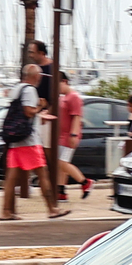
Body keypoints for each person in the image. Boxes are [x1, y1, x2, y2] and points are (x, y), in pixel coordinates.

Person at [0, 63, 67, 221]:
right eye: (39, 76)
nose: (40, 79)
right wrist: (40, 106)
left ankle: (6, 211)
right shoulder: (30, 90)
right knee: (43, 174)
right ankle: (52, 209)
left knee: (11, 177)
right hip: (28, 140)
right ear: (34, 76)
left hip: (15, 140)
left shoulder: (17, 89)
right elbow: (28, 112)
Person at [52, 71, 87, 201]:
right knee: (61, 165)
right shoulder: (63, 97)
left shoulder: (74, 97)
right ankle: (61, 190)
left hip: (69, 135)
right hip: (61, 135)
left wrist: (73, 134)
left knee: (62, 163)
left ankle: (85, 182)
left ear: (64, 82)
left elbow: (77, 117)